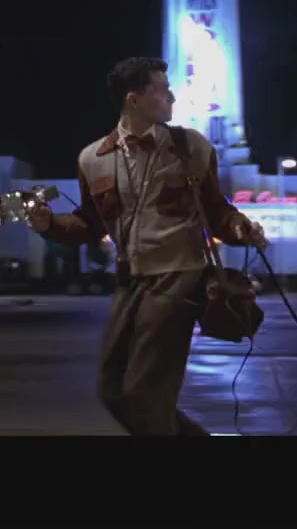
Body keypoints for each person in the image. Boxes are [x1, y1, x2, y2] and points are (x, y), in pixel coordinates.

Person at [29, 57, 267, 436]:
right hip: (130, 282)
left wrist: (242, 228)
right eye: (162, 89)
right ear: (134, 99)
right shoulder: (92, 159)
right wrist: (49, 224)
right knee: (112, 391)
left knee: (146, 395)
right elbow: (89, 223)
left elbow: (216, 210)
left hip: (179, 277)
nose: (171, 96)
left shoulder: (191, 147)